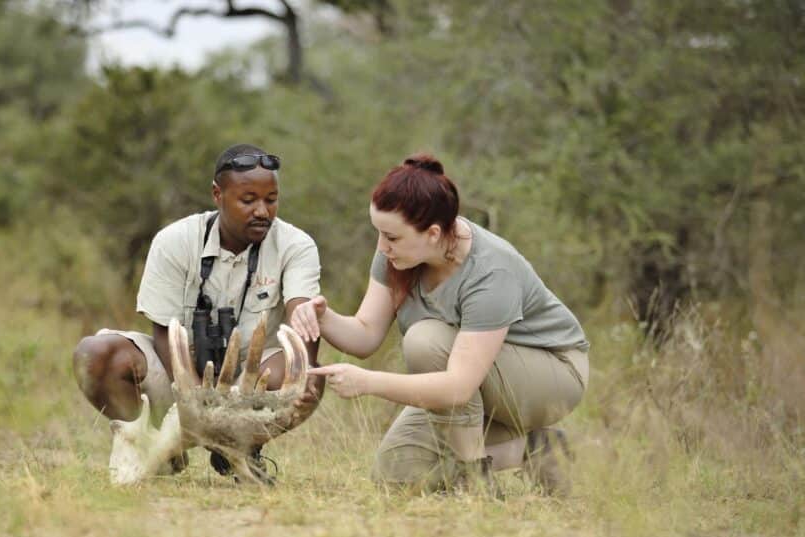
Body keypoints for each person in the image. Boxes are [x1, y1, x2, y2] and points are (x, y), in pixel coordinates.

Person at [294, 154, 589, 493]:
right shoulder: (399, 251)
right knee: (396, 474)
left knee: (425, 340)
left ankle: (477, 479)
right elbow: (365, 334)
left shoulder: (491, 270)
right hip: (477, 377)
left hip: (550, 376)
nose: (381, 246)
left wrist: (368, 383)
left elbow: (460, 386)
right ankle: (540, 450)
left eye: (390, 237)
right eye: (379, 233)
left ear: (433, 233)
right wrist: (322, 316)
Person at [74, 144, 325, 479]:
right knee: (95, 354)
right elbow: (163, 332)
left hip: (249, 382)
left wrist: (305, 369)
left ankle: (239, 447)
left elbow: (301, 316)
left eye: (271, 199)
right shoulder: (174, 240)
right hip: (177, 374)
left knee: (305, 373)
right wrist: (193, 400)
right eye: (248, 200)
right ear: (217, 195)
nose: (263, 211)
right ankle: (152, 445)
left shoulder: (296, 245)